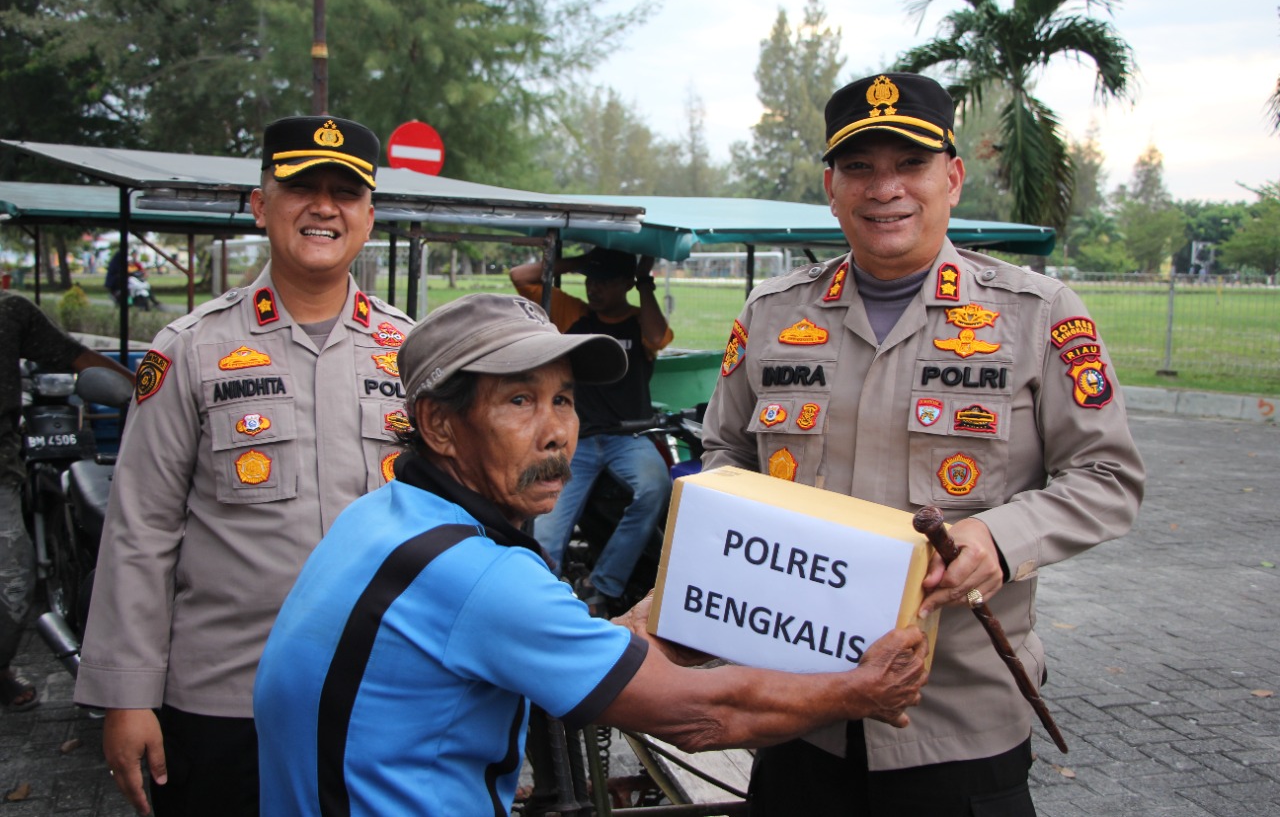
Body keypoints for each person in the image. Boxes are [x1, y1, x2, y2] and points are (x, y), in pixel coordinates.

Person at [253, 292, 930, 816]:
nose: (556, 433)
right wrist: (856, 689)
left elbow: (513, 638)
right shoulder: (482, 575)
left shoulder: (380, 513)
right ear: (438, 424)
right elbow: (701, 716)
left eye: (564, 399)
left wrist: (646, 623)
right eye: (519, 400)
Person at [700, 72, 1146, 816]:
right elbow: (724, 458)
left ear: (954, 177)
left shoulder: (1036, 315)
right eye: (860, 168)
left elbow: (1107, 473)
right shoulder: (774, 313)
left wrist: (997, 539)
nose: (886, 189)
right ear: (831, 187)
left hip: (956, 729)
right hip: (796, 714)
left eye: (910, 164)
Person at [75, 115, 415, 817]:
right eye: (302, 188)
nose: (324, 206)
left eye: (345, 193)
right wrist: (127, 693)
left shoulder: (413, 353)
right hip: (226, 701)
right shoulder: (190, 349)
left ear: (369, 217)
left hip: (380, 692)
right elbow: (140, 527)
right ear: (262, 206)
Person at [509, 248, 674, 616]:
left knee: (655, 487)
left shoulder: (637, 320)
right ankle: (541, 604)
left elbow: (659, 336)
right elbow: (521, 276)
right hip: (576, 441)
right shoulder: (575, 315)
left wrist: (645, 282)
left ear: (625, 284)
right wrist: (578, 260)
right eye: (590, 279)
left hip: (628, 437)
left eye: (604, 280)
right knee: (547, 528)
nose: (593, 288)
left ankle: (601, 585)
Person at [0, 291, 134, 711]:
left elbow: (72, 354)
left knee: (14, 575)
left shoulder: (9, 312)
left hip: (2, 468)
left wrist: (146, 391)